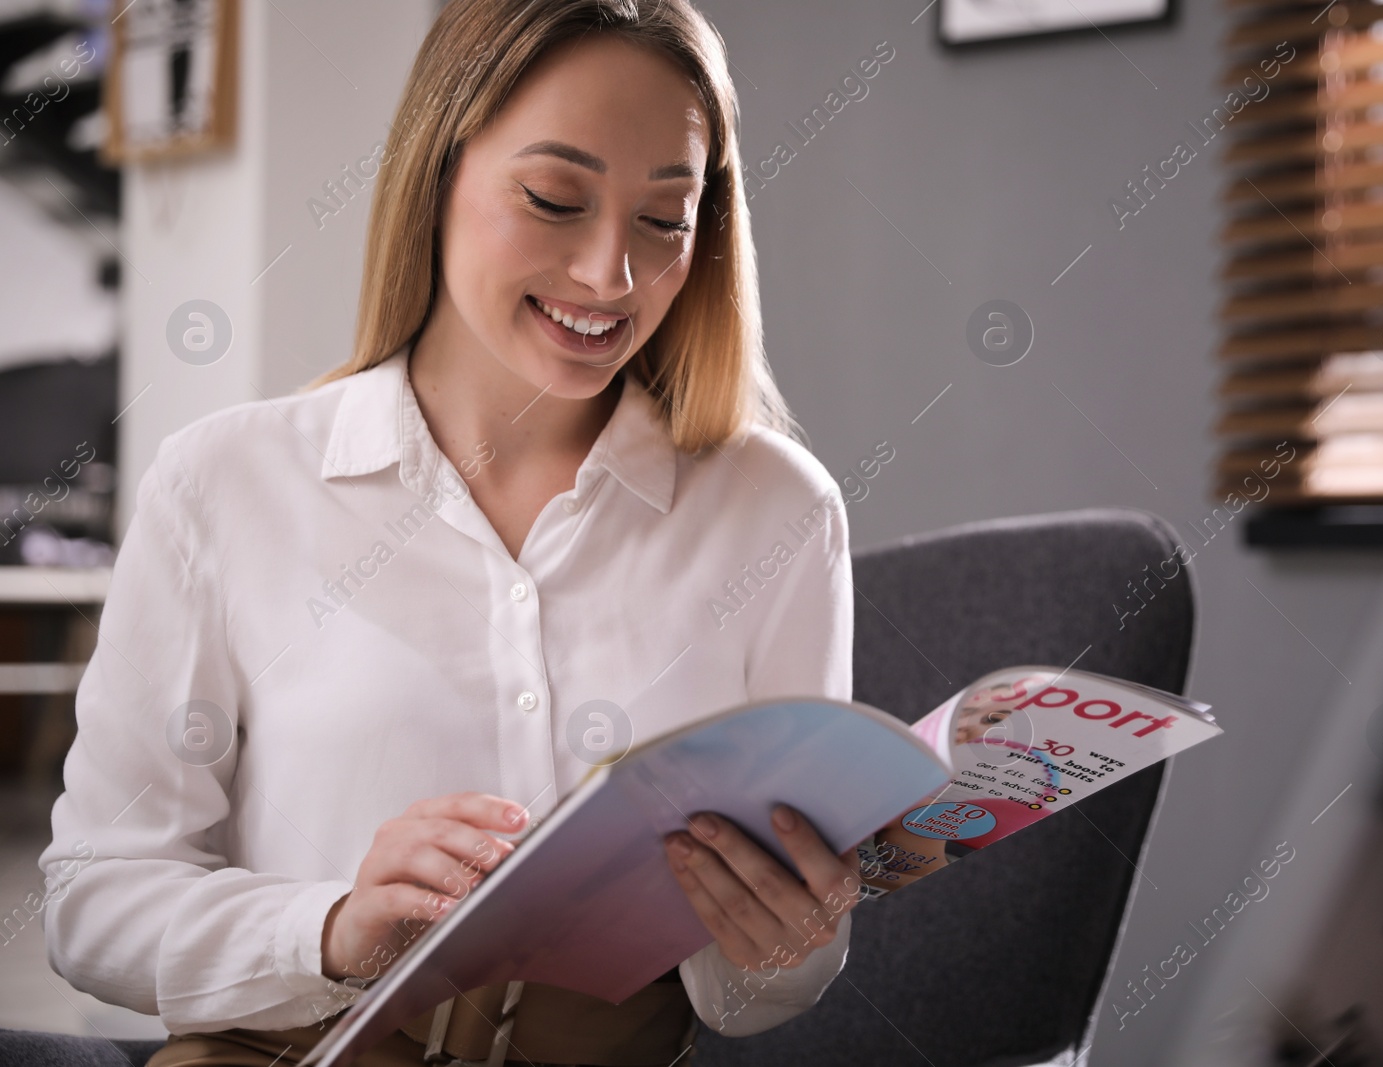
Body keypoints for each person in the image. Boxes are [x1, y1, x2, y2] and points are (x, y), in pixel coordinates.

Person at [38, 2, 859, 1064]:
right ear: (438, 170)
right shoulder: (223, 485)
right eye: (556, 198)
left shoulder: (779, 511)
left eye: (665, 218)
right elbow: (92, 902)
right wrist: (331, 927)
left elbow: (755, 997)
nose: (612, 275)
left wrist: (784, 943)